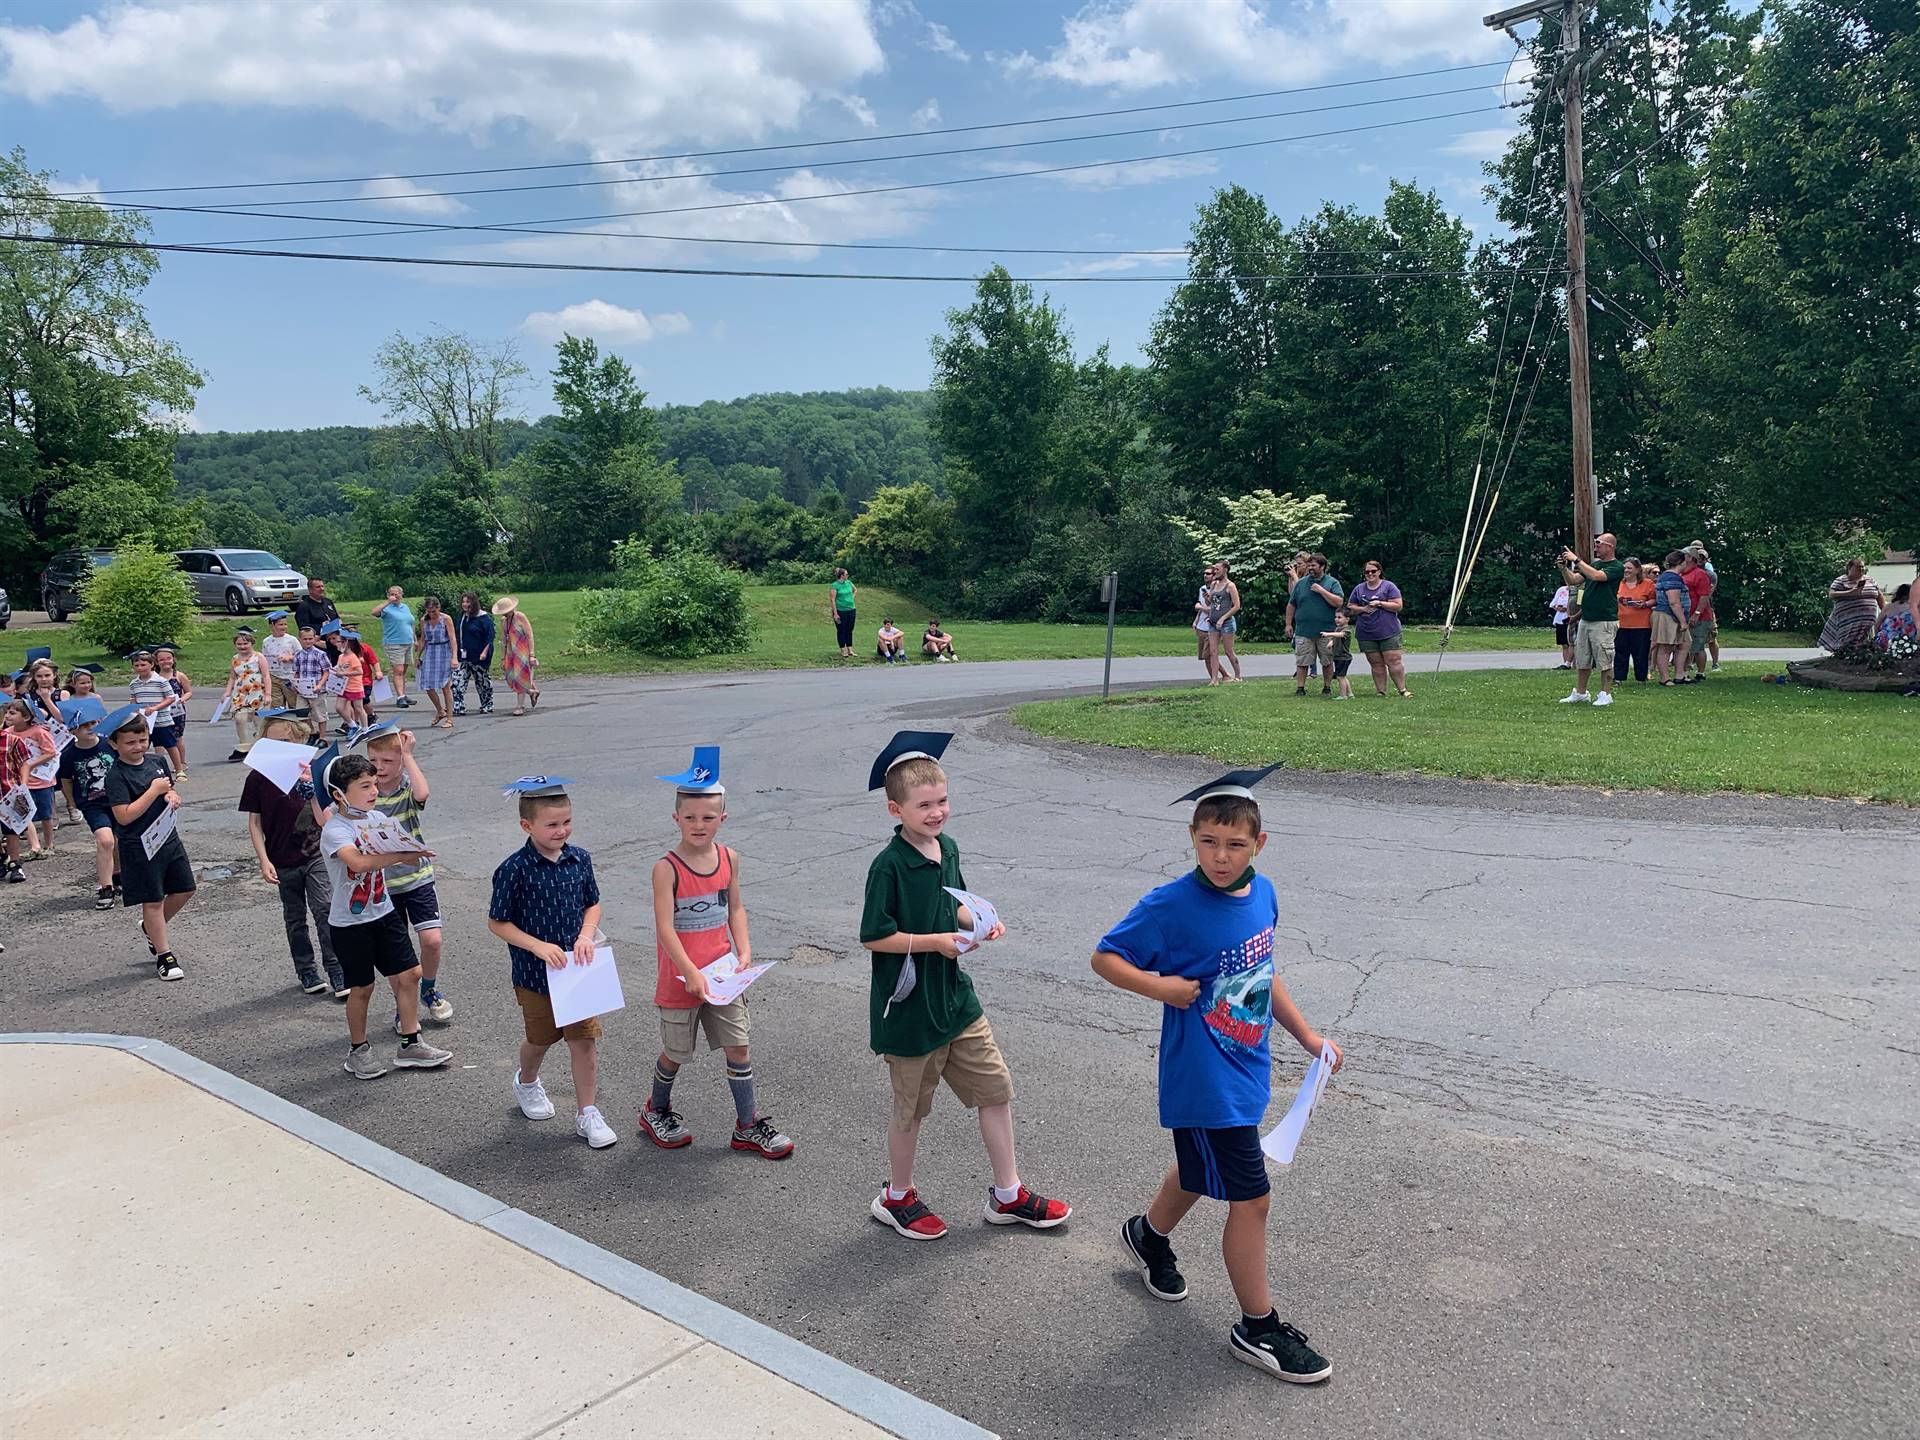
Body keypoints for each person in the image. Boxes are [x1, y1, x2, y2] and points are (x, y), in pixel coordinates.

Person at [1092, 765, 1342, 1385]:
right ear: (1192, 836)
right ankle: (1257, 1327)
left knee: (1200, 1170)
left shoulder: (1264, 894)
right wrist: (1161, 987)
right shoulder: (1170, 906)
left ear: (1260, 844)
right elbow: (1105, 957)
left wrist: (1307, 1036)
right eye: (1208, 842)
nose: (1221, 856)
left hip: (1247, 1068)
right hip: (1205, 1083)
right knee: (1252, 1199)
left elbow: (1264, 969)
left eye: (1234, 844)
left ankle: (1147, 1236)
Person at [860, 730, 1071, 1241]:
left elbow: (949, 902)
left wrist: (978, 918)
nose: (937, 812)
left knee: (995, 1091)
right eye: (924, 805)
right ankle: (896, 1197)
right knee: (910, 1111)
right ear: (896, 810)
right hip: (909, 1010)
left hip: (956, 1000)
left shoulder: (946, 848)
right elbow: (875, 937)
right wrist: (934, 941)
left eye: (943, 801)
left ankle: (1008, 1195)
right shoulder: (888, 866)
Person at [637, 746, 794, 1159]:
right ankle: (656, 1108)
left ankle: (747, 1125)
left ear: (723, 818)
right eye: (689, 817)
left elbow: (736, 908)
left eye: (708, 817)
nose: (699, 825)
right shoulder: (666, 868)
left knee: (738, 1047)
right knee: (675, 1053)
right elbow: (665, 928)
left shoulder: (729, 858)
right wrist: (689, 970)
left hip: (724, 977)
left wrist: (744, 950)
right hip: (681, 981)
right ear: (676, 818)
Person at [490, 775, 616, 1150]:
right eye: (552, 824)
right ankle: (526, 1080)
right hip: (535, 975)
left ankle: (587, 1112)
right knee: (541, 1038)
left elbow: (592, 902)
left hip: (578, 969)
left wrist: (585, 934)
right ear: (526, 826)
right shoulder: (514, 869)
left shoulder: (580, 859)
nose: (562, 831)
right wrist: (536, 946)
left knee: (584, 1041)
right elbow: (498, 921)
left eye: (567, 822)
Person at [315, 749, 452, 1080]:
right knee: (361, 989)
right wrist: (399, 855)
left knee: (410, 975)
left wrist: (414, 854)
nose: (374, 791)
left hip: (384, 913)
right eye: (364, 786)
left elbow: (401, 855)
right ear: (338, 795)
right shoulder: (336, 830)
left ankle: (410, 1043)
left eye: (374, 783)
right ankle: (358, 1051)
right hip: (350, 924)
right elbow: (358, 863)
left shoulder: (377, 820)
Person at [239, 706, 345, 999]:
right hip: (281, 858)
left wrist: (312, 790)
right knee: (295, 917)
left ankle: (336, 967)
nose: (280, 749)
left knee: (325, 908)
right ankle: (306, 969)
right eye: (273, 744)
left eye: (286, 743)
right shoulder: (258, 778)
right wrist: (263, 860)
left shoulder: (313, 773)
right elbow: (254, 821)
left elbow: (327, 816)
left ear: (301, 741)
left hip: (315, 854)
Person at [101, 704, 193, 981]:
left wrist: (171, 797)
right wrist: (154, 791)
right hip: (139, 845)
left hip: (167, 837)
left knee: (185, 889)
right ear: (114, 744)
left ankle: (152, 928)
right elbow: (124, 816)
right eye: (130, 742)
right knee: (152, 900)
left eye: (142, 740)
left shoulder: (156, 762)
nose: (138, 746)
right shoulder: (116, 775)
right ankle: (165, 956)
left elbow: (169, 790)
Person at [368, 724, 453, 1023]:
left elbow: (422, 792)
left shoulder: (406, 788)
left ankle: (428, 990)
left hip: (416, 879)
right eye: (373, 761)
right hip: (383, 884)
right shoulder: (365, 792)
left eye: (388, 761)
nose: (379, 768)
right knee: (397, 953)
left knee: (431, 941)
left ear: (401, 761)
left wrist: (408, 755)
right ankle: (403, 1006)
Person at [56, 696, 118, 909]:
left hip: (118, 800)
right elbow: (65, 780)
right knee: (105, 840)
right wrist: (72, 803)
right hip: (92, 804)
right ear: (73, 730)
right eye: (83, 726)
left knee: (118, 840)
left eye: (93, 723)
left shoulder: (110, 745)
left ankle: (117, 876)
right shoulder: (69, 755)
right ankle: (105, 887)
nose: (90, 728)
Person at [1557, 533, 1624, 707]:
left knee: (1604, 658)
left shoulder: (1616, 567)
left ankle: (1605, 694)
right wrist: (1564, 568)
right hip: (1587, 619)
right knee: (1583, 658)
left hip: (1604, 620)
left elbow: (1597, 576)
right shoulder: (1594, 565)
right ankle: (1580, 693)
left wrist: (1576, 559)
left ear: (1610, 546)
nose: (1595, 547)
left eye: (1598, 544)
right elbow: (1574, 580)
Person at [1348, 560, 1410, 698]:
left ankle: (1402, 689)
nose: (1370, 574)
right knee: (1376, 663)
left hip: (1388, 630)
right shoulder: (1359, 589)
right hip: (1366, 632)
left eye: (1373, 571)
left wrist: (1380, 603)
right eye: (1367, 572)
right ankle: (1381, 691)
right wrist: (1363, 608)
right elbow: (1350, 607)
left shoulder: (1389, 586)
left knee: (1393, 660)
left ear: (1379, 572)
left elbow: (1398, 605)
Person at [6, 697, 58, 859]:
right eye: (7, 712)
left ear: (26, 717)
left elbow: (51, 752)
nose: (7, 715)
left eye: (13, 713)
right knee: (23, 813)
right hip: (19, 782)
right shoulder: (7, 733)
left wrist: (30, 764)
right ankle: (34, 846)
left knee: (45, 814)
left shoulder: (39, 732)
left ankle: (49, 844)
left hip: (42, 780)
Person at [1284, 555, 1344, 697]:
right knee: (1302, 661)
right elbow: (1292, 604)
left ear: (1322, 567)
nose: (1310, 568)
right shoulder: (1301, 583)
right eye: (1309, 565)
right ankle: (1300, 687)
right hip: (1304, 630)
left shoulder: (1332, 583)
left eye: (1313, 565)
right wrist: (1288, 624)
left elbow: (1339, 602)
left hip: (1326, 631)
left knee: (1327, 660)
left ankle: (1327, 687)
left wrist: (1322, 591)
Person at [0, 698, 44, 876]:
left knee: (12, 830)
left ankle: (15, 863)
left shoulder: (11, 740)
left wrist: (23, 784)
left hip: (8, 791)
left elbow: (23, 763)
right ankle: (2, 857)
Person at [218, 627, 271, 760]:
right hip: (241, 693)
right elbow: (232, 677)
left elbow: (266, 676)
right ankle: (244, 747)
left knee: (260, 721)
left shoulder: (258, 657)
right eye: (239, 644)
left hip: (257, 692)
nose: (242, 646)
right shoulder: (235, 658)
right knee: (240, 718)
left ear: (251, 643)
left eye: (245, 643)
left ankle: (261, 746)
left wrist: (268, 694)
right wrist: (227, 692)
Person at [415, 594, 457, 730]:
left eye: (434, 611)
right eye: (429, 611)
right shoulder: (424, 621)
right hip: (430, 651)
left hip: (444, 651)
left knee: (445, 686)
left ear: (439, 608)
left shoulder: (446, 619)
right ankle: (440, 710)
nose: (432, 614)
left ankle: (450, 718)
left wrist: (454, 657)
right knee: (427, 684)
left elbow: (452, 638)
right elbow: (423, 639)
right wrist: (418, 656)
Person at [1820, 558, 1880, 653]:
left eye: (1863, 567)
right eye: (1858, 567)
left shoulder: (1870, 580)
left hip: (1867, 622)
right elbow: (1832, 594)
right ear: (1850, 568)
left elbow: (1879, 595)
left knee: (1865, 644)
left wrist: (1884, 610)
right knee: (1847, 644)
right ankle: (1844, 655)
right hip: (1848, 622)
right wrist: (1850, 592)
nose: (1861, 569)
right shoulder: (1841, 580)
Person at [493, 596, 541, 716]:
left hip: (522, 653)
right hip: (510, 653)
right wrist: (503, 658)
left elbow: (530, 636)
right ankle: (532, 692)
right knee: (512, 678)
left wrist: (531, 655)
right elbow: (503, 640)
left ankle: (520, 706)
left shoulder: (520, 617)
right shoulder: (504, 621)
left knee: (520, 678)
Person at [371, 586, 416, 709]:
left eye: (397, 594)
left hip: (407, 642)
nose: (394, 597)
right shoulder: (387, 609)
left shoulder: (405, 607)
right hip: (393, 643)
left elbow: (410, 623)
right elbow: (374, 612)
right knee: (398, 670)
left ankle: (404, 694)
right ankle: (400, 697)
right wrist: (388, 602)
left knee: (404, 671)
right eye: (392, 594)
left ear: (401, 595)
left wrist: (415, 640)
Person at [1651, 551, 1692, 686]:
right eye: (1685, 561)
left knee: (1685, 643)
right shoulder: (1671, 577)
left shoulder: (1674, 576)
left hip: (1676, 615)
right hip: (1667, 615)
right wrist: (1682, 621)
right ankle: (1665, 678)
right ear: (1681, 562)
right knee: (1666, 646)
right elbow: (1674, 602)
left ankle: (1680, 675)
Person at [1613, 558, 1656, 685]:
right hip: (1621, 624)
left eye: (1629, 568)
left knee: (1641, 653)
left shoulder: (1648, 584)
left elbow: (1654, 600)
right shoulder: (1618, 583)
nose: (1626, 570)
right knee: (1621, 652)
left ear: (1637, 570)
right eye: (1625, 568)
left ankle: (1641, 678)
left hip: (1641, 625)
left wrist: (1644, 604)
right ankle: (1619, 678)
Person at [452, 591, 495, 717]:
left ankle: (487, 704)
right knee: (457, 681)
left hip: (479, 655)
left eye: (468, 602)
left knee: (482, 681)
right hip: (463, 655)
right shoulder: (462, 617)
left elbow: (489, 638)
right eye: (463, 602)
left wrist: (484, 652)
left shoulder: (484, 618)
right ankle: (458, 706)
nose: (465, 604)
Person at [153, 644, 191, 777]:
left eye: (168, 658)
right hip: (160, 711)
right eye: (162, 659)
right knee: (160, 738)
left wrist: (183, 699)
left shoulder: (179, 676)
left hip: (177, 711)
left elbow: (188, 692)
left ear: (173, 659)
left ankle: (181, 762)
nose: (166, 661)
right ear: (156, 662)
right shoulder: (155, 677)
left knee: (177, 737)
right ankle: (160, 765)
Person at [292, 625, 333, 743]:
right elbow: (297, 672)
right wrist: (296, 684)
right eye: (305, 639)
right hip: (303, 691)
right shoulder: (298, 655)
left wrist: (320, 685)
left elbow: (326, 671)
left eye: (310, 638)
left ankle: (322, 737)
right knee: (301, 714)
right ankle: (313, 733)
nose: (308, 641)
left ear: (314, 639)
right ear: (300, 639)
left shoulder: (320, 654)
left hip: (317, 690)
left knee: (320, 714)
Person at [1680, 550, 1716, 684]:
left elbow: (1704, 596)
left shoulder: (1700, 574)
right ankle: (1683, 672)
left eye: (1685, 556)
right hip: (1684, 615)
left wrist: (1697, 613)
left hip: (1700, 616)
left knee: (1697, 645)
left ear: (1691, 558)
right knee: (1685, 645)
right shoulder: (1682, 572)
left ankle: (1699, 672)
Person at [1207, 562, 1244, 684]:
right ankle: (1214, 679)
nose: (1215, 571)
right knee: (1213, 652)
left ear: (1225, 570)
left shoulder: (1230, 586)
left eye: (1217, 569)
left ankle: (1238, 675)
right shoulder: (1213, 584)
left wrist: (1223, 618)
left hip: (1226, 623)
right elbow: (1211, 603)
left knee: (1228, 651)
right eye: (1214, 569)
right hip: (1213, 623)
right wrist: (1208, 598)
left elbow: (1237, 606)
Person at [261, 609, 302, 711]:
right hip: (274, 677)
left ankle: (296, 725)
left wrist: (290, 658)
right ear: (272, 626)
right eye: (280, 625)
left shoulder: (291, 640)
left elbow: (302, 656)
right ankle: (280, 724)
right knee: (277, 706)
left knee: (294, 704)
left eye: (285, 624)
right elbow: (264, 658)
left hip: (289, 677)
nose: (284, 627)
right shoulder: (266, 641)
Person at [293, 577, 341, 659]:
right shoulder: (304, 606)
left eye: (322, 586)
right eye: (318, 587)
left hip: (335, 642)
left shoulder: (328, 602)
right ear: (310, 590)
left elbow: (337, 618)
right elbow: (304, 628)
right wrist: (322, 628)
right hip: (318, 643)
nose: (322, 589)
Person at [331, 630, 369, 732]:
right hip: (343, 687)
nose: (336, 644)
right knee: (339, 707)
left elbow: (359, 671)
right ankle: (352, 725)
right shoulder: (341, 657)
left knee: (359, 708)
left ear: (345, 643)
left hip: (355, 687)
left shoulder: (353, 657)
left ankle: (365, 728)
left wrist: (343, 673)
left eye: (338, 642)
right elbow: (339, 668)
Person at [1191, 568, 1215, 681]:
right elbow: (1200, 606)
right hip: (1201, 626)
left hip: (1211, 627)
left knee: (1209, 655)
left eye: (1208, 574)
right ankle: (1213, 678)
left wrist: (1201, 607)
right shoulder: (1202, 589)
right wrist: (1196, 621)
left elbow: (1214, 610)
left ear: (1214, 576)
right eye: (1204, 573)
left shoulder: (1218, 590)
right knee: (1204, 657)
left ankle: (1223, 676)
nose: (1205, 575)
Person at [830, 568, 858, 659]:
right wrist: (835, 613)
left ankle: (850, 649)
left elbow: (855, 590)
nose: (847, 576)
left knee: (849, 630)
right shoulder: (835, 585)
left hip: (851, 609)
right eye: (846, 574)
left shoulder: (849, 583)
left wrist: (851, 599)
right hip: (840, 610)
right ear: (841, 575)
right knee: (841, 630)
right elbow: (833, 600)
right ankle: (843, 649)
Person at [1326, 611, 1355, 700]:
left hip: (1344, 657)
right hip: (1338, 657)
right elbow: (1335, 638)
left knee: (1340, 677)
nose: (1336, 619)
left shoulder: (1347, 630)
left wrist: (1328, 634)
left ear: (1347, 619)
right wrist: (1331, 642)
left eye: (1339, 617)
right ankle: (1350, 694)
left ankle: (1343, 695)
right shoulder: (1337, 629)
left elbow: (1340, 635)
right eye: (1336, 617)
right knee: (1343, 676)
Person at [1549, 581, 1574, 669]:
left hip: (1571, 619)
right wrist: (1558, 608)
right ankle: (1565, 664)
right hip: (1560, 619)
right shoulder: (1561, 589)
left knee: (1572, 642)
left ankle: (1573, 663)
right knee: (1564, 644)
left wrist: (1567, 609)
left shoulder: (1578, 591)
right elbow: (1553, 604)